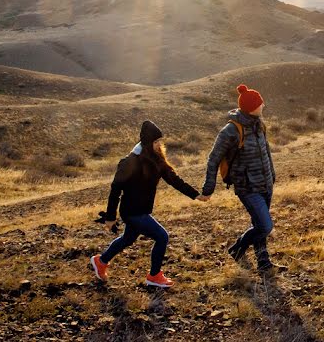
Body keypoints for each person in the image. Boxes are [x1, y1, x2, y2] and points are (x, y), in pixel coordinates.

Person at [90, 120, 207, 288]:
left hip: (142, 210)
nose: (160, 144)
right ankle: (154, 276)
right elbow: (115, 189)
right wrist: (110, 217)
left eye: (160, 141)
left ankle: (101, 261)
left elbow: (174, 180)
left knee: (127, 239)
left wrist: (195, 195)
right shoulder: (130, 162)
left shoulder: (158, 160)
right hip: (131, 211)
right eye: (156, 142)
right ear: (148, 142)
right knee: (162, 236)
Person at [202, 84, 281, 273]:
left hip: (265, 183)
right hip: (247, 187)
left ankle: (263, 262)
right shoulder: (230, 130)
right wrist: (208, 188)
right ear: (251, 106)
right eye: (260, 103)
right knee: (265, 225)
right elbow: (213, 159)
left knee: (258, 224)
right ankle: (237, 248)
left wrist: (272, 174)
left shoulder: (259, 124)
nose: (263, 105)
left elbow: (266, 152)